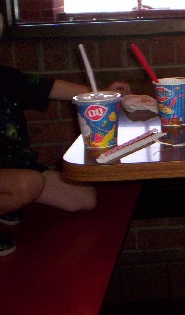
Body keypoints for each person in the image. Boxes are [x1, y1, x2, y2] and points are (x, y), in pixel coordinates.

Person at [0, 16, 131, 256]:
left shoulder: (5, 77)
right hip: (17, 176)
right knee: (29, 185)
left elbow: (51, 88)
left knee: (84, 198)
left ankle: (7, 202)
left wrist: (100, 94)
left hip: (14, 165)